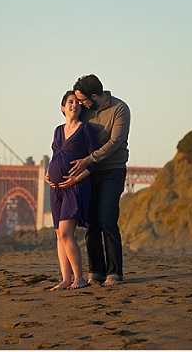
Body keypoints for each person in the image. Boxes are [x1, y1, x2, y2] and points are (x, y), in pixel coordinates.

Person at [67, 74, 131, 287]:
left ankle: (115, 273)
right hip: (88, 172)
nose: (80, 104)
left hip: (112, 170)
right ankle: (96, 273)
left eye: (83, 100)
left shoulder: (120, 109)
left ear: (94, 96)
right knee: (91, 223)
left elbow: (115, 143)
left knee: (107, 219)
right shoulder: (85, 111)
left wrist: (88, 160)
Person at [45, 91, 100, 291]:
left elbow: (95, 161)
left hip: (75, 186)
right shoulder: (58, 130)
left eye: (77, 103)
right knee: (59, 234)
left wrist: (78, 177)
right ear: (62, 107)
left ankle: (80, 278)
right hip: (56, 188)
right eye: (70, 102)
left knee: (67, 233)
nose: (74, 105)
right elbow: (55, 155)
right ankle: (66, 279)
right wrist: (48, 173)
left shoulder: (85, 129)